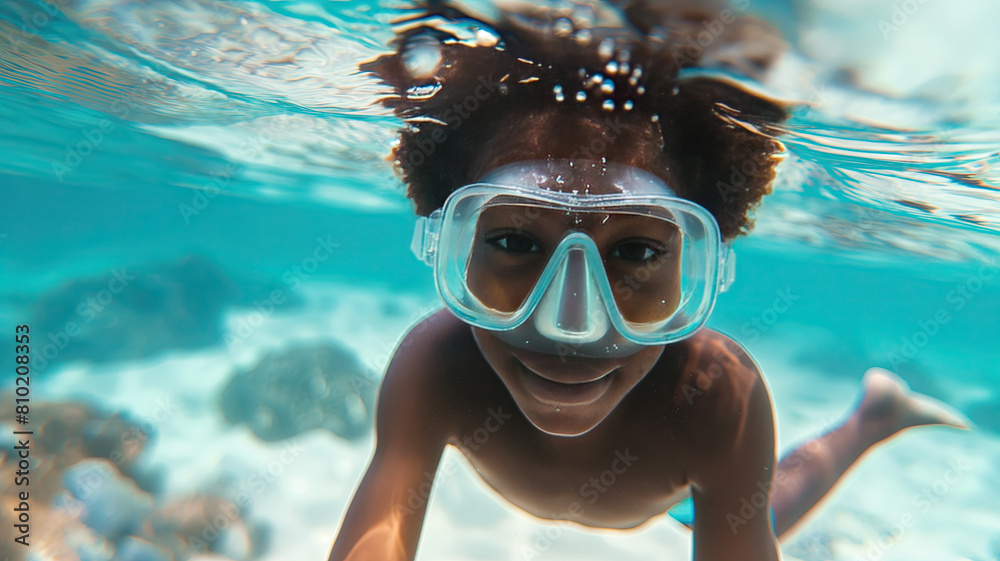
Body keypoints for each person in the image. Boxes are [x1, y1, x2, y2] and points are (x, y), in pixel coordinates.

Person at [329, 1, 968, 560]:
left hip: (678, 493)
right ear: (449, 248)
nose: (569, 324)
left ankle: (871, 419)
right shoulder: (435, 365)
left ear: (702, 266)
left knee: (763, 512)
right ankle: (878, 411)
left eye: (634, 252)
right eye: (515, 242)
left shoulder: (715, 397)